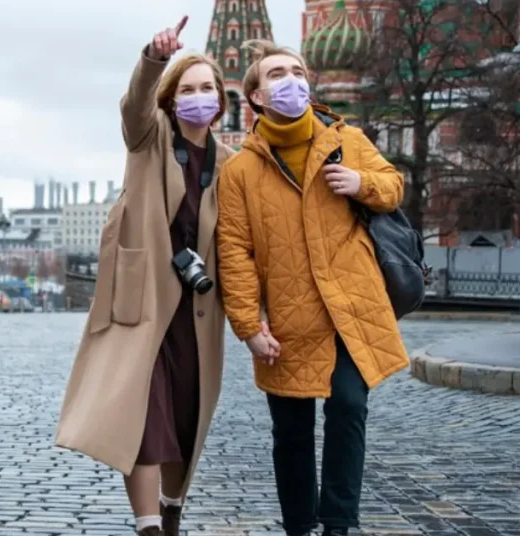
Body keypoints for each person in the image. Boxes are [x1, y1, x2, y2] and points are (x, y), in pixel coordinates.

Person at [216, 40, 410, 536]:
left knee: (348, 407)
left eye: (297, 71)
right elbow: (234, 251)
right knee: (292, 431)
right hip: (287, 316)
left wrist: (360, 181)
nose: (291, 80)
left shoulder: (346, 140)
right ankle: (299, 527)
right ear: (255, 96)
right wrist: (246, 325)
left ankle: (339, 524)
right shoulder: (239, 170)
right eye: (277, 74)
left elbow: (393, 187)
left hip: (351, 306)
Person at [54, 15, 235, 536]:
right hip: (142, 299)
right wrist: (153, 60)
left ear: (220, 101)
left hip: (197, 308)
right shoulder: (150, 137)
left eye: (207, 89)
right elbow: (134, 105)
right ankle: (149, 526)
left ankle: (172, 505)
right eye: (188, 88)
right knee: (145, 414)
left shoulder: (228, 161)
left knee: (185, 415)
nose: (198, 96)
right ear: (172, 96)